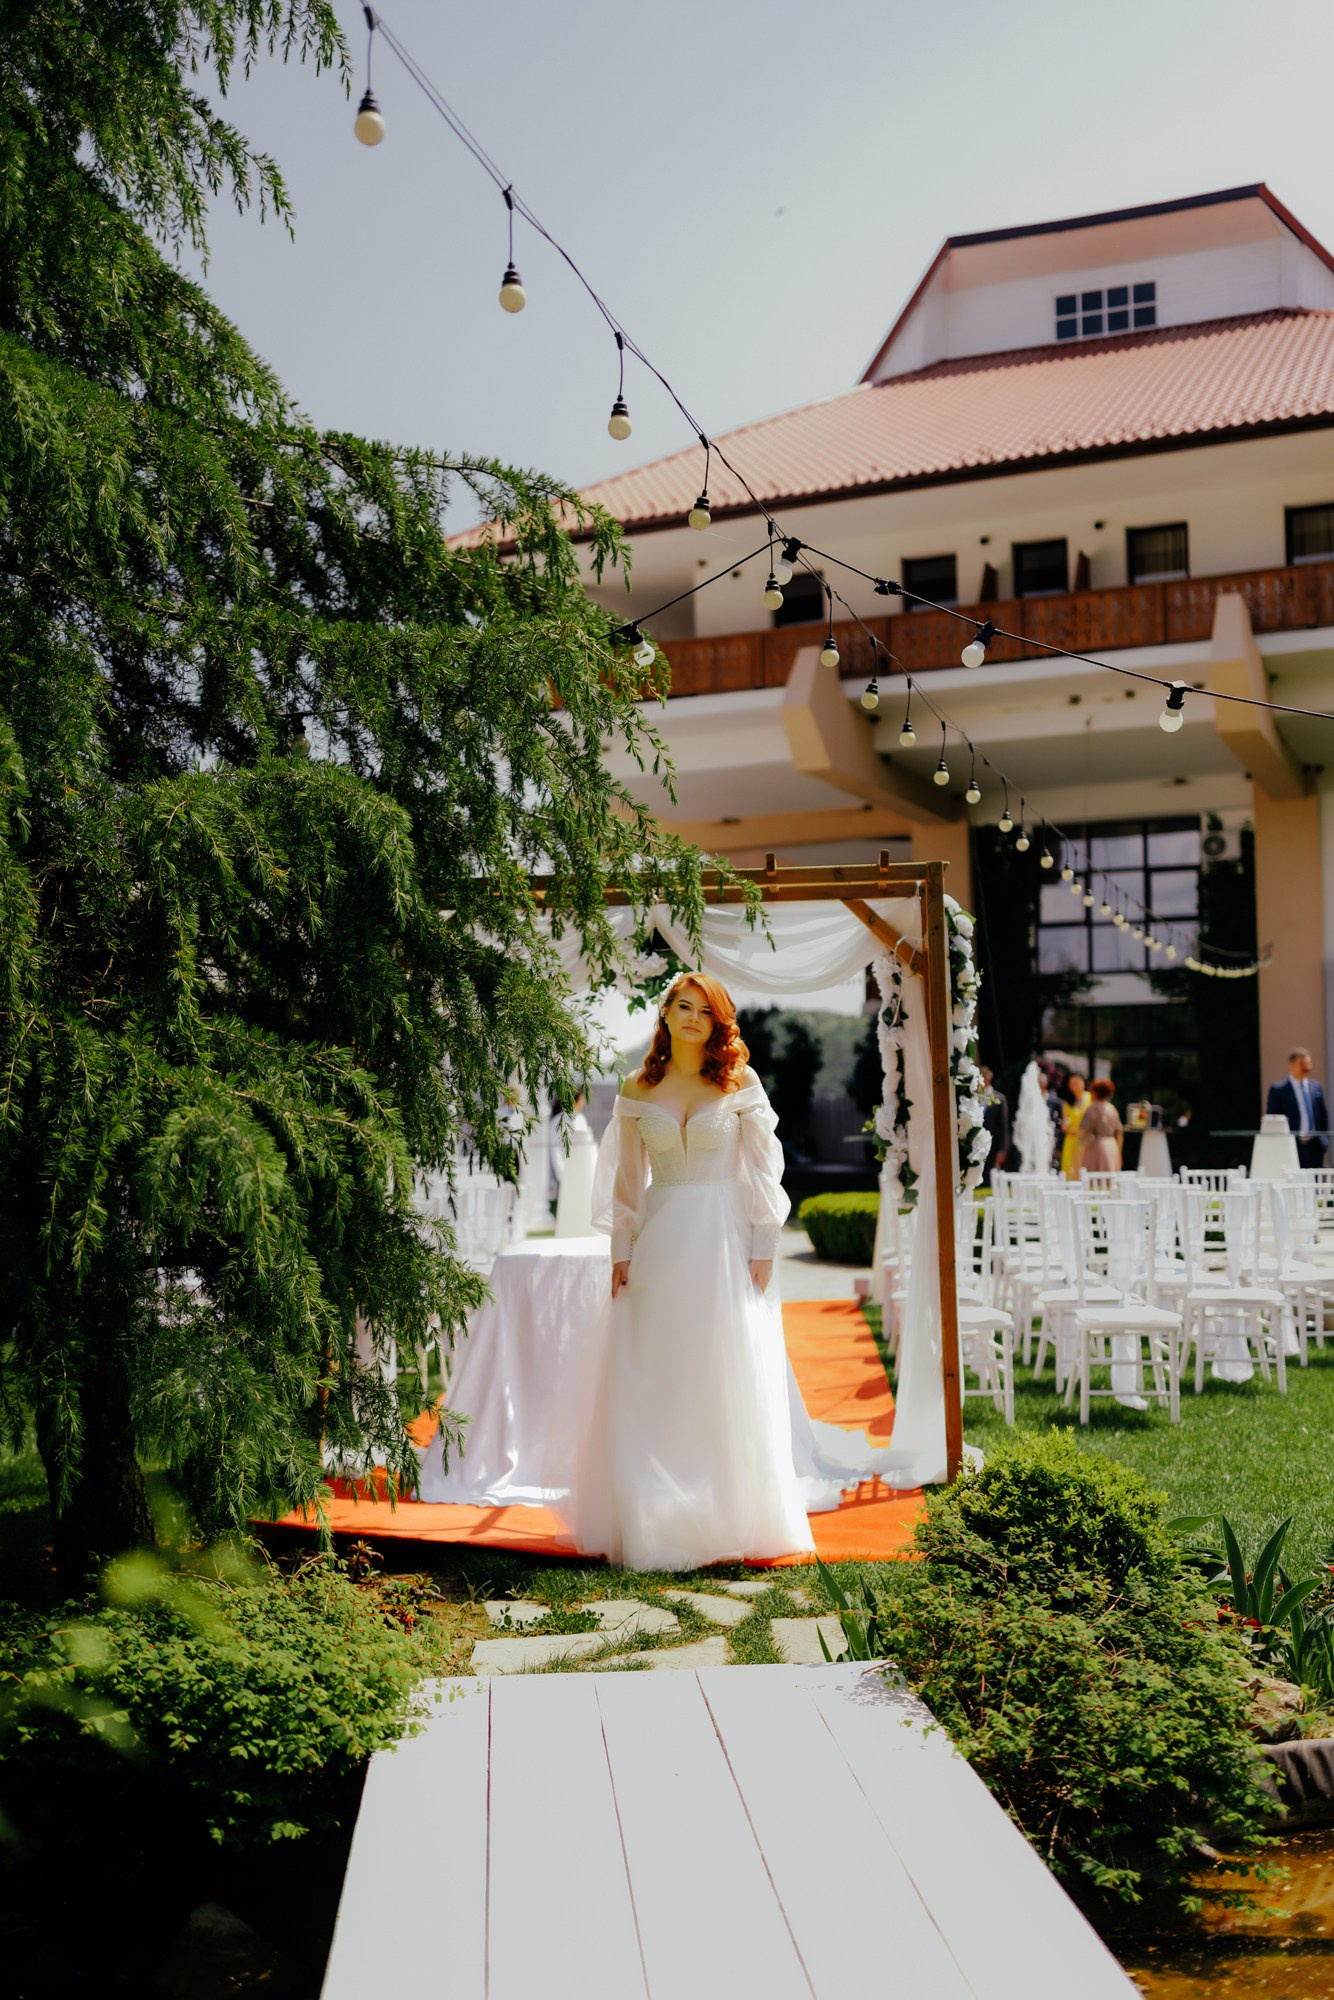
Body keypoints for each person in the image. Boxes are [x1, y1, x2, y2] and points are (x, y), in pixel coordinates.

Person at [563, 974, 814, 1570]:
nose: (693, 1017)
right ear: (666, 1015)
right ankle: (653, 1516)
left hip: (725, 1242)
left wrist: (763, 1246)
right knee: (656, 1370)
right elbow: (626, 1183)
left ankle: (730, 1514)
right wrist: (620, 1253)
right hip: (661, 1239)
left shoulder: (738, 1081)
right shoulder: (636, 1087)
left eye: (705, 1010)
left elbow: (762, 1171)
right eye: (683, 1006)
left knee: (722, 1369)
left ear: (717, 1021)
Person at [1267, 1048, 1329, 1169]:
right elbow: (1272, 1119)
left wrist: (1324, 1140)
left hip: (1314, 1146)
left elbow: (1323, 1116)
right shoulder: (1278, 1090)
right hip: (1291, 1146)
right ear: (1291, 1065)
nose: (1306, 1067)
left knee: (1314, 1183)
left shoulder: (1316, 1087)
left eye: (1308, 1063)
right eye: (1302, 1063)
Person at [1077, 1079, 1123, 1174]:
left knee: (1094, 1180)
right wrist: (1118, 1152)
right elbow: (1119, 1132)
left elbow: (1084, 1130)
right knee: (1110, 1180)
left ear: (1095, 1092)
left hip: (1096, 1147)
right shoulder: (1112, 1109)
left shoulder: (1091, 1109)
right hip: (1112, 1146)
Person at [979, 1066, 1009, 1186]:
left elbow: (1003, 1126)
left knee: (991, 1175)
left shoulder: (999, 1099)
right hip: (978, 1142)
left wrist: (1002, 1149)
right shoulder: (973, 1097)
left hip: (993, 1143)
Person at [1061, 1073, 1089, 1180]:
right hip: (1071, 1140)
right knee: (1070, 1171)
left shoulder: (1089, 1098)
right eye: (1072, 1084)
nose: (1075, 1086)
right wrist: (1065, 1125)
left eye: (1077, 1083)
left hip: (1085, 1140)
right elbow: (1064, 1125)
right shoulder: (1067, 1103)